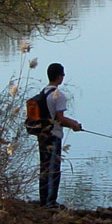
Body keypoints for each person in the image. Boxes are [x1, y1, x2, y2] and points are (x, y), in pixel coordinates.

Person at [36, 62, 81, 208]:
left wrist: (72, 122)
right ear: (59, 77)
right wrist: (74, 125)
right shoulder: (58, 95)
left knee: (44, 167)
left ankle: (44, 200)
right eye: (63, 74)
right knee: (53, 169)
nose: (63, 77)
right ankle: (50, 203)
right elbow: (60, 119)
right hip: (53, 136)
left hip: (42, 134)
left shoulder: (43, 93)